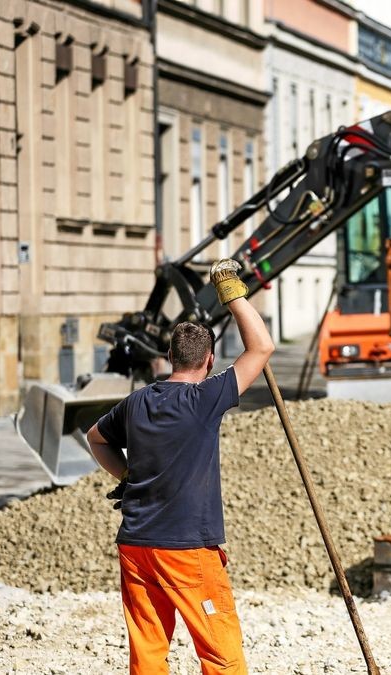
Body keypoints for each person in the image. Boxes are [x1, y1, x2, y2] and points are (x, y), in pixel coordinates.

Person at [87, 259, 274, 675]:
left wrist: (127, 475)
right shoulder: (206, 399)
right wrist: (231, 290)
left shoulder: (136, 402)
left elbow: (96, 439)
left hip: (136, 545)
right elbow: (261, 347)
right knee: (220, 653)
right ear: (209, 360)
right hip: (187, 548)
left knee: (149, 651)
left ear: (169, 357)